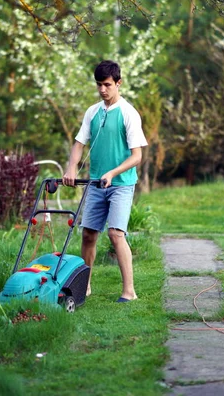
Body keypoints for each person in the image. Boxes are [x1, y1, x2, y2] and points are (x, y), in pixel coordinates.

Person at [62, 60, 148, 303]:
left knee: (115, 234)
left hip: (121, 184)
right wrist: (71, 168)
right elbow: (79, 144)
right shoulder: (92, 112)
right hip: (96, 184)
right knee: (88, 234)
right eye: (99, 85)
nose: (102, 90)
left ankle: (129, 291)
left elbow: (137, 156)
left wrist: (112, 173)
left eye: (107, 84)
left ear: (118, 83)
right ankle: (84, 286)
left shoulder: (128, 113)